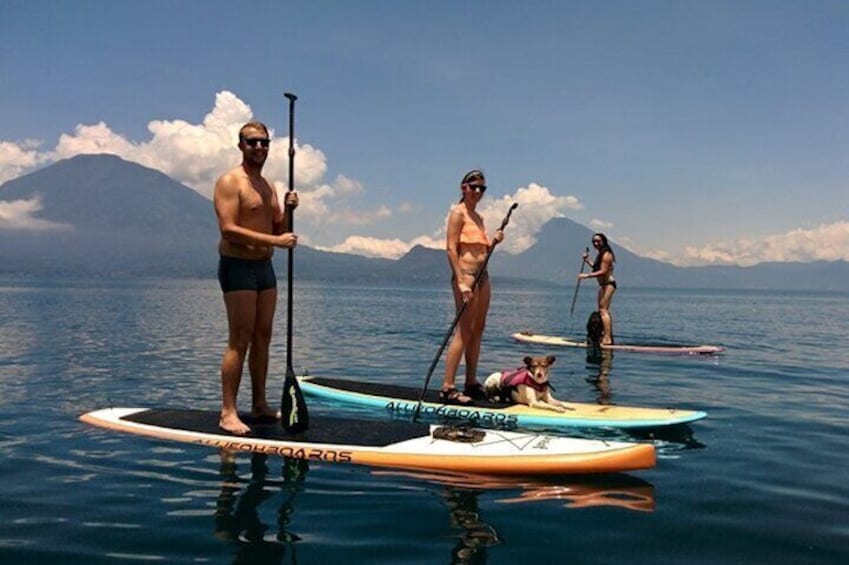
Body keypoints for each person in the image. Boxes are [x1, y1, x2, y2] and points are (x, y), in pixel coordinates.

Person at [214, 121, 299, 435]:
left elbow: (279, 229)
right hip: (238, 266)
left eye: (264, 142)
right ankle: (228, 412)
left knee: (263, 336)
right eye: (252, 142)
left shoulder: (268, 186)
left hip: (265, 268)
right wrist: (276, 242)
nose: (259, 148)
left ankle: (259, 403)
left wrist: (288, 211)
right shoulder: (230, 182)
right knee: (240, 338)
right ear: (241, 146)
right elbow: (228, 229)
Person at [440, 169, 504, 405]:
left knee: (478, 328)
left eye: (482, 188)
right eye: (473, 186)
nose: (477, 191)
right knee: (464, 330)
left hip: (483, 276)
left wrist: (494, 241)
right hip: (465, 276)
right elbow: (451, 249)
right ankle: (448, 386)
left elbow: (482, 251)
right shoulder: (458, 213)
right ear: (463, 187)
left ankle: (470, 381)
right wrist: (459, 280)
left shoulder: (479, 218)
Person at [579, 232, 616, 345]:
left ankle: (608, 338)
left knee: (603, 311)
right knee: (602, 311)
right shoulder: (600, 254)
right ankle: (606, 336)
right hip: (603, 285)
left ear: (604, 241)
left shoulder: (606, 254)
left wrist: (587, 276)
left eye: (598, 241)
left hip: (608, 284)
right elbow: (596, 268)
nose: (596, 243)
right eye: (594, 241)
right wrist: (587, 260)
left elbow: (603, 271)